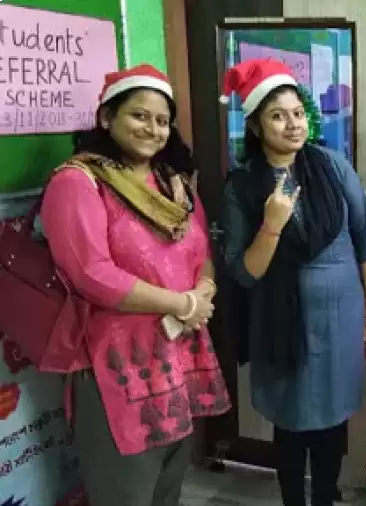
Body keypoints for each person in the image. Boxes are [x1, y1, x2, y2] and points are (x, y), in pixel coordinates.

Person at [40, 64, 231, 506]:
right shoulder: (78, 182)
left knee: (168, 487)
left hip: (178, 358)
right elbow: (91, 273)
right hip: (116, 366)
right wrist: (183, 303)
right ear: (107, 117)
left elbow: (201, 248)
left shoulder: (172, 184)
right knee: (124, 491)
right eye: (139, 115)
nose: (153, 129)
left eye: (162, 120)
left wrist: (203, 292)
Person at [219, 59, 366, 506]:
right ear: (256, 126)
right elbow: (244, 272)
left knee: (333, 419)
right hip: (280, 323)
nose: (293, 124)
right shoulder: (242, 186)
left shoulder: (333, 166)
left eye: (297, 113)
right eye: (278, 116)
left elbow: (365, 236)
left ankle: (325, 497)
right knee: (290, 422)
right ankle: (293, 499)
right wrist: (272, 225)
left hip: (341, 318)